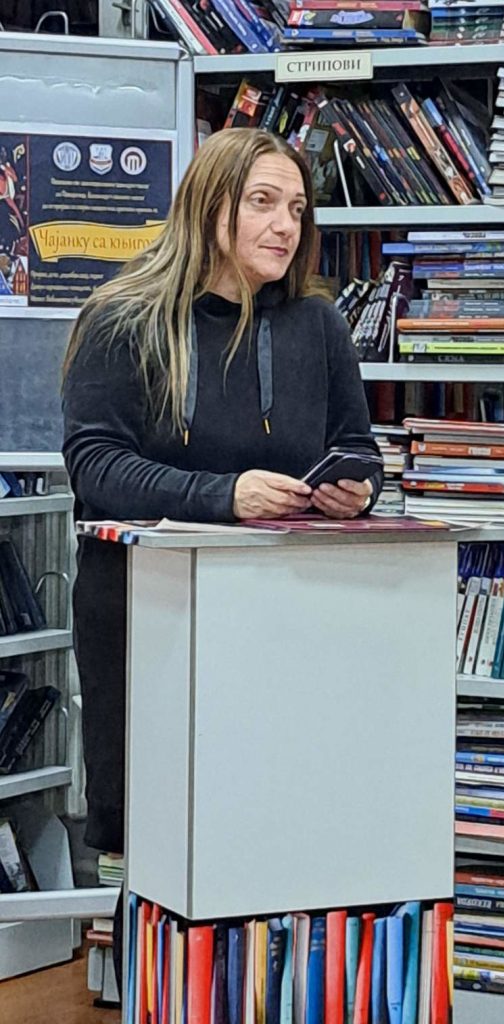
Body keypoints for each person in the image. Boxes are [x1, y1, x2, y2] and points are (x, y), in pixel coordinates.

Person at [61, 127, 383, 988]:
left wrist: (357, 488)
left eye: (297, 208)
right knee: (163, 833)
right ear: (209, 208)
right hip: (154, 613)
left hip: (287, 609)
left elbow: (357, 446)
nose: (285, 226)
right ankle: (156, 990)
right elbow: (95, 467)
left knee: (280, 818)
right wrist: (224, 494)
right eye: (263, 203)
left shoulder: (318, 324)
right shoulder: (123, 316)